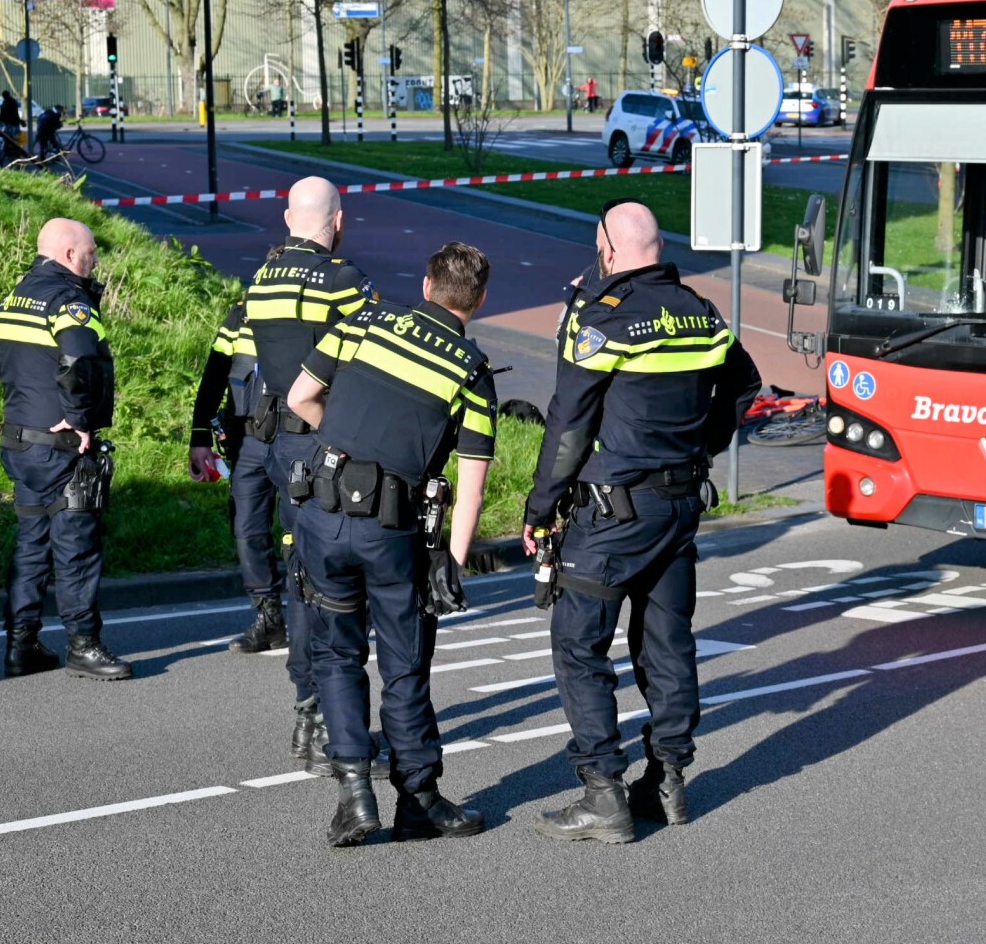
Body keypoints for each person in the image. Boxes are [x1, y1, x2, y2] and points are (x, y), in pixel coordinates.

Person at [523, 200, 760, 843]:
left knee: (579, 644)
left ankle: (604, 795)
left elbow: (568, 426)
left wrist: (540, 510)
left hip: (612, 515)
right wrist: (702, 448)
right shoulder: (700, 310)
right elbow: (745, 383)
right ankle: (667, 784)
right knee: (667, 644)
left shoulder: (602, 319)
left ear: (606, 247)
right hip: (681, 506)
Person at [285, 242, 498, 847]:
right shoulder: (471, 370)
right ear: (479, 301)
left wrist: (351, 447)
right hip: (393, 533)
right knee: (404, 665)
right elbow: (475, 485)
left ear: (427, 285)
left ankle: (355, 796)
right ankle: (419, 799)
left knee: (336, 655)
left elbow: (301, 397)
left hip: (323, 517)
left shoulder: (362, 322)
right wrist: (451, 567)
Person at [245, 177, 379, 774]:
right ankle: (332, 721)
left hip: (280, 447)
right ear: (339, 221)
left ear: (285, 218)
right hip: (330, 443)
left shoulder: (260, 281)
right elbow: (370, 359)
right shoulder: (345, 281)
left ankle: (306, 707)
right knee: (337, 586)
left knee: (302, 575)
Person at [0, 218, 131, 681]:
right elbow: (79, 358)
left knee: (31, 546)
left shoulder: (16, 296)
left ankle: (21, 646)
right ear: (70, 255)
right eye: (91, 252)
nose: (95, 260)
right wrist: (79, 416)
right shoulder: (69, 300)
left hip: (20, 441)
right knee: (76, 546)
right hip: (60, 446)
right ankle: (84, 645)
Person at [187, 296, 284, 653]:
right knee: (247, 529)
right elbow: (214, 375)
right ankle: (269, 617)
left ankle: (319, 614)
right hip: (247, 442)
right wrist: (199, 436)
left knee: (305, 530)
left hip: (298, 438)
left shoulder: (314, 307)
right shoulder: (242, 312)